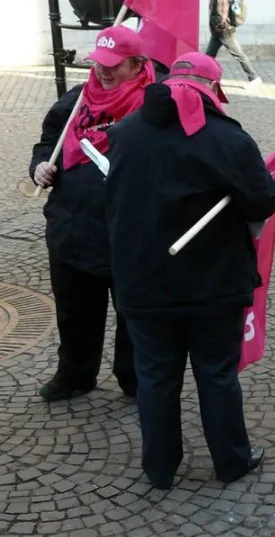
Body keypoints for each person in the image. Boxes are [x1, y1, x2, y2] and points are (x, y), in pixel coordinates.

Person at [105, 52, 275, 490]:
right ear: (212, 90)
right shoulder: (228, 140)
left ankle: (160, 468)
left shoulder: (124, 134)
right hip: (212, 286)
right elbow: (262, 201)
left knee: (156, 377)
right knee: (216, 375)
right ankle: (231, 461)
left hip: (143, 283)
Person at [30, 25, 155, 401]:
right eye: (99, 62)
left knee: (133, 314)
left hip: (128, 234)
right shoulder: (77, 99)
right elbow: (48, 142)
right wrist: (38, 165)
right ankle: (75, 374)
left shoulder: (154, 105)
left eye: (114, 64)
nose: (103, 71)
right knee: (74, 311)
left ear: (137, 65)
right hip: (73, 228)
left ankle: (134, 379)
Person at [206, 0, 261, 85]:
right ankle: (206, 77)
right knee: (209, 55)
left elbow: (223, 8)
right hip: (217, 31)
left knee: (239, 55)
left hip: (224, 32)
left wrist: (221, 24)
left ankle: (254, 78)